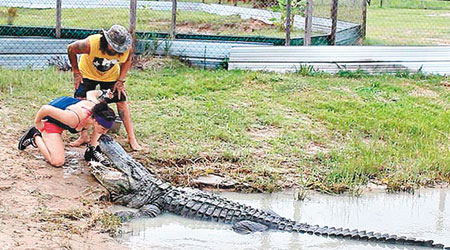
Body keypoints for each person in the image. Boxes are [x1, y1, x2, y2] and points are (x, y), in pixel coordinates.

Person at [67, 24, 142, 151]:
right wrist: (76, 71)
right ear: (106, 40)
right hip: (88, 73)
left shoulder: (126, 49)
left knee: (121, 101)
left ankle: (131, 138)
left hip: (110, 76)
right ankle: (83, 136)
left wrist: (120, 80)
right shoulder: (90, 44)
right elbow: (71, 48)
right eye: (114, 47)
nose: (117, 51)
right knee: (82, 101)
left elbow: (127, 61)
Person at [18, 90, 115, 167]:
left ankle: (92, 149)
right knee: (57, 161)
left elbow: (91, 93)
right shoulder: (73, 118)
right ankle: (35, 136)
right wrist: (37, 123)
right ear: (94, 120)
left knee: (99, 131)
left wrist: (104, 92)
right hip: (51, 119)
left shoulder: (97, 107)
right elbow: (45, 109)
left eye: (107, 129)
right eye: (103, 128)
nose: (105, 132)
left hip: (67, 108)